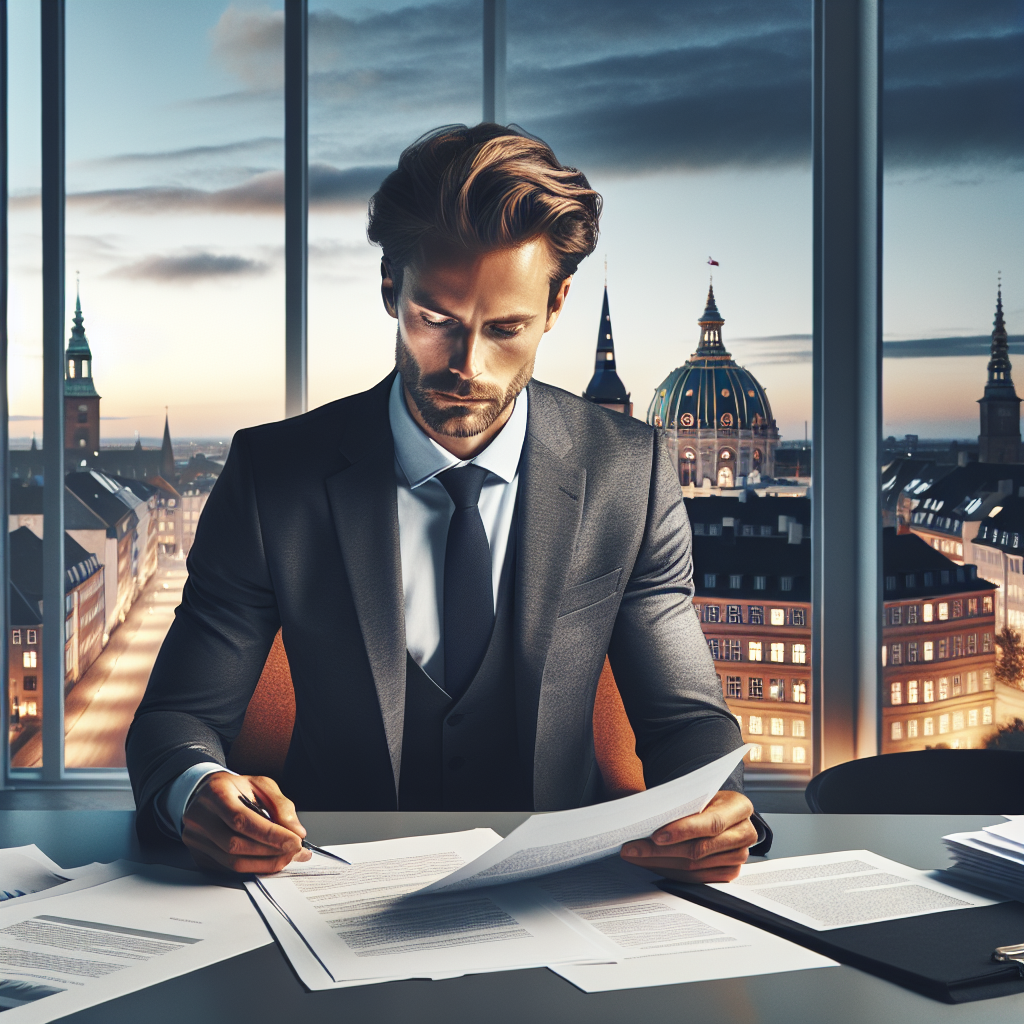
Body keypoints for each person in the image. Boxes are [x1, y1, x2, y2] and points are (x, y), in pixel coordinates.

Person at [126, 123, 769, 879]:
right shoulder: (274, 474)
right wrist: (196, 791)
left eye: (507, 329)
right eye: (437, 320)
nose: (468, 366)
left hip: (563, 891)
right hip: (326, 883)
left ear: (557, 304)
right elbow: (179, 716)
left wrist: (722, 805)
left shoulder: (630, 470)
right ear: (390, 287)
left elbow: (684, 718)